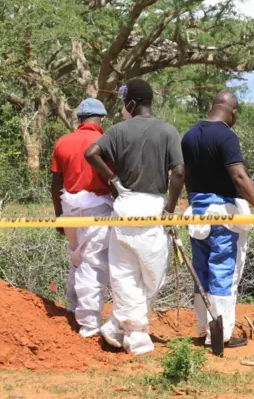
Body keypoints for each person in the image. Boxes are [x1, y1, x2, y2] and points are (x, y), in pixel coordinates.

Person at [85, 79, 185, 355]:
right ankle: (136, 335)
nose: (122, 108)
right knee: (152, 275)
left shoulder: (117, 131)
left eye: (124, 102)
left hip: (124, 205)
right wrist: (171, 209)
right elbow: (178, 172)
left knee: (124, 273)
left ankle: (120, 325)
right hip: (152, 208)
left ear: (133, 102)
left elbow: (91, 153)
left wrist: (114, 180)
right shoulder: (167, 130)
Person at [181, 90, 254, 348]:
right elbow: (239, 177)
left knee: (201, 274)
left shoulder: (189, 135)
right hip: (224, 216)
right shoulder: (226, 136)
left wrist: (194, 203)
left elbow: (186, 175)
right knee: (224, 272)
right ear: (233, 112)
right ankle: (220, 335)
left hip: (198, 214)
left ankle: (204, 328)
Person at [50, 98, 113, 338]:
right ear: (101, 119)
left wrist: (59, 217)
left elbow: (56, 184)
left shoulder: (63, 142)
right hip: (98, 207)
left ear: (79, 119)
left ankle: (74, 307)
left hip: (69, 207)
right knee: (93, 262)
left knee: (76, 257)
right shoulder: (105, 141)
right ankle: (89, 323)